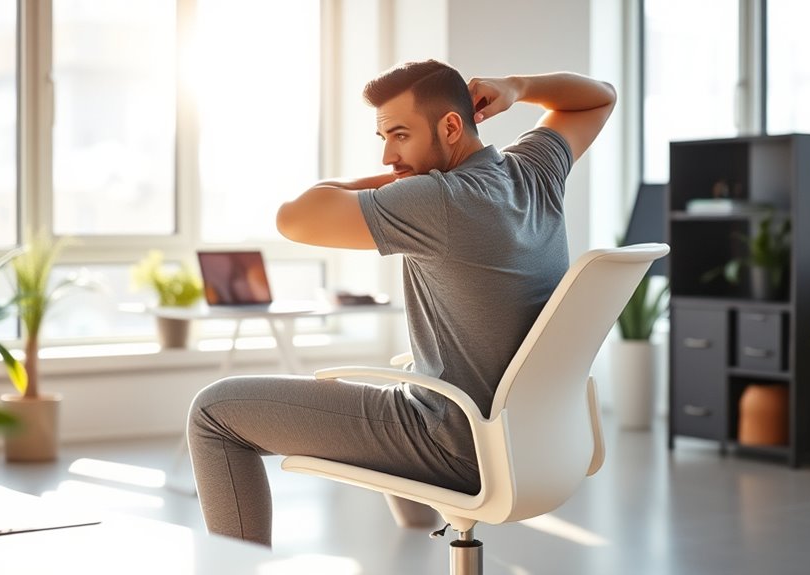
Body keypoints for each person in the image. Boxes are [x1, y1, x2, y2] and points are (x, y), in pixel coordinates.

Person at [187, 59, 616, 548]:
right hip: (538, 444)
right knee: (408, 374)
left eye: (400, 135)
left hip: (456, 444)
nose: (391, 155)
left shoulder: (439, 200)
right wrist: (517, 86)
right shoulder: (533, 171)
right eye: (383, 139)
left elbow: (294, 218)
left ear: (451, 126)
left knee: (214, 412)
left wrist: (400, 184)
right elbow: (599, 96)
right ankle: (415, 532)